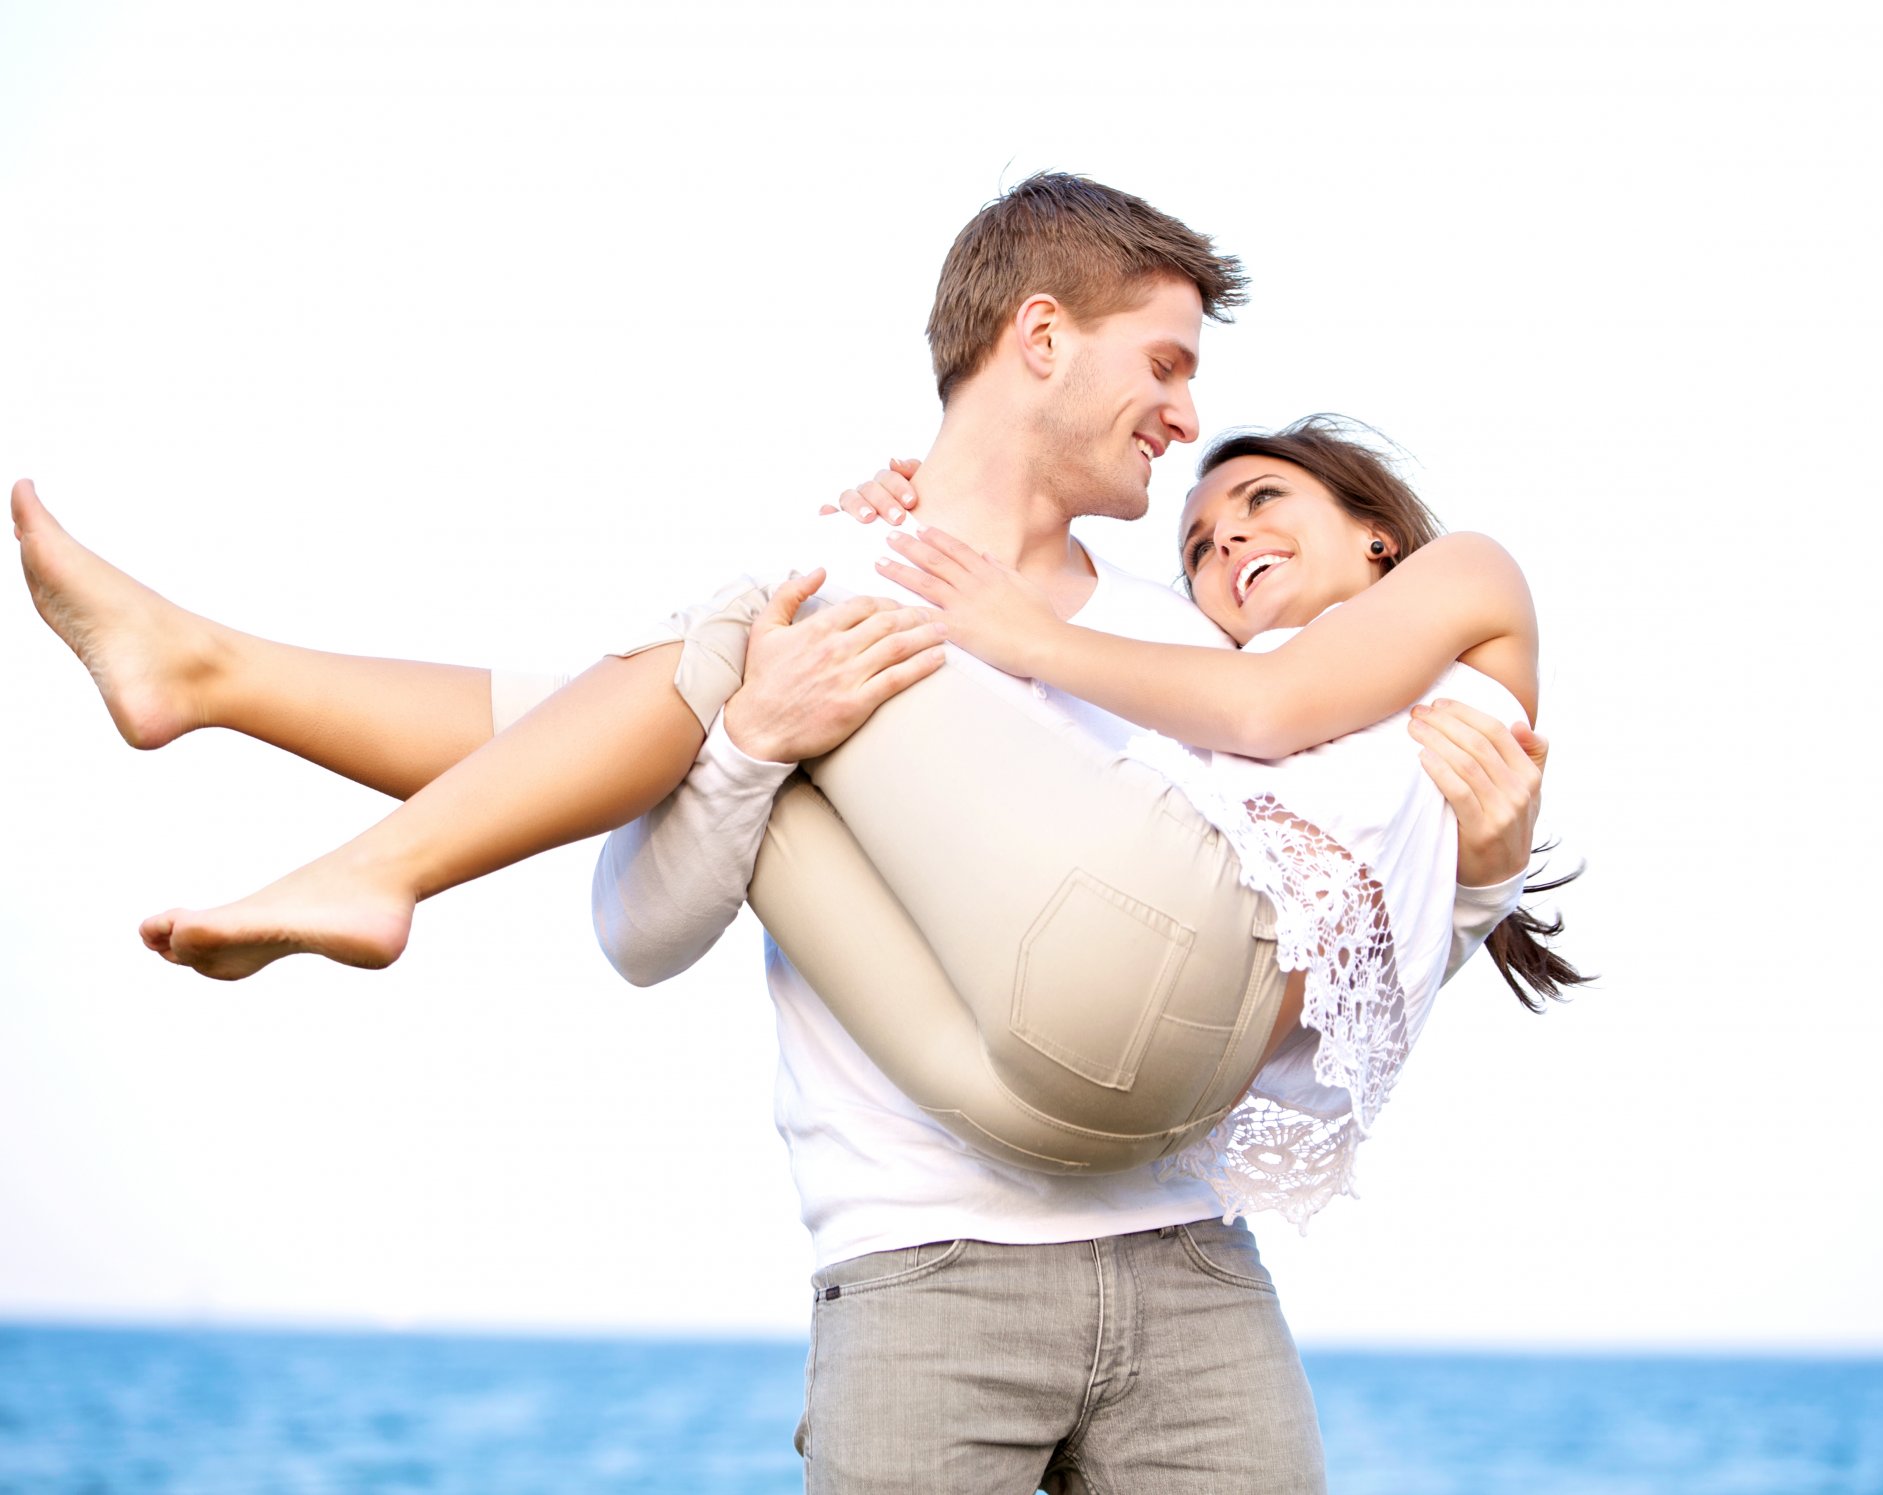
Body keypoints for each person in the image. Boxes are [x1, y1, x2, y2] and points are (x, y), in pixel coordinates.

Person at [14, 174, 1548, 1492]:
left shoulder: (1199, 655)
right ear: (1039, 338)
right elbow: (637, 933)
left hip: (1187, 1250)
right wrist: (750, 748)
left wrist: (1477, 885)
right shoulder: (875, 585)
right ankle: (251, 716)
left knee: (745, 632)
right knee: (755, 666)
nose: (1188, 428)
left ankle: (280, 745)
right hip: (933, 1248)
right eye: (1162, 364)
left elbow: (1321, 955)